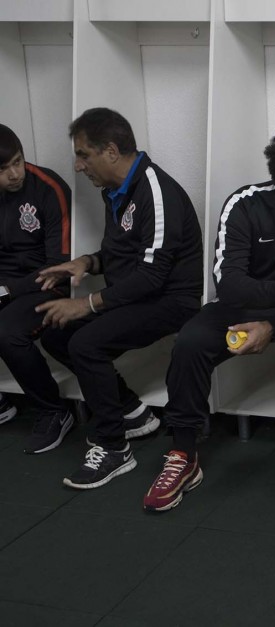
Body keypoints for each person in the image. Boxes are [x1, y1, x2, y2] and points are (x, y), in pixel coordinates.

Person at [144, 126, 275, 515]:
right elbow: (228, 285)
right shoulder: (244, 204)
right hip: (246, 309)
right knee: (191, 341)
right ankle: (183, 451)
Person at [36, 107, 202, 489]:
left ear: (111, 151)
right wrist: (88, 262)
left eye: (84, 155)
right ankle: (133, 413)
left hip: (171, 301)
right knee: (55, 333)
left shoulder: (157, 192)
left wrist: (87, 303)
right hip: (138, 295)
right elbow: (126, 253)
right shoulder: (115, 189)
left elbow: (152, 274)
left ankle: (112, 447)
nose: (78, 166)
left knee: (86, 341)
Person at [0, 124, 72, 451]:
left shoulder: (47, 186)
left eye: (17, 161)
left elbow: (58, 266)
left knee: (7, 332)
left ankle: (53, 410)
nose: (14, 174)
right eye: (2, 169)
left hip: (47, 285)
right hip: (6, 286)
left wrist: (7, 291)